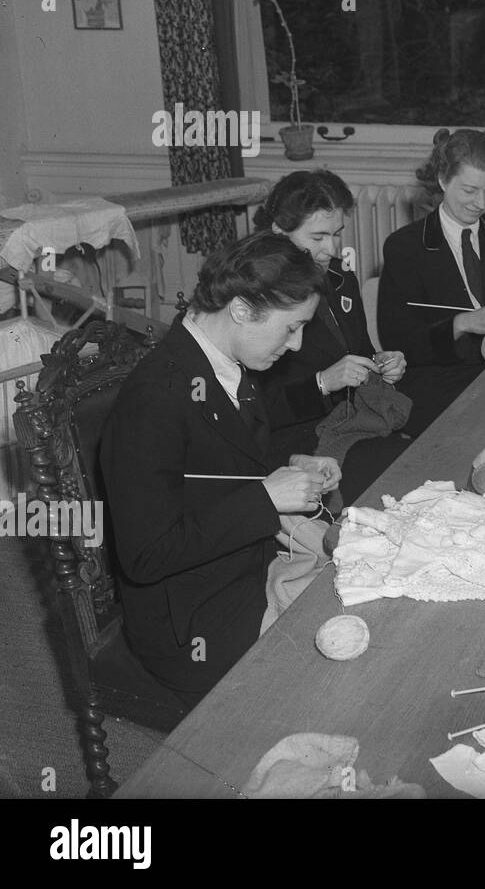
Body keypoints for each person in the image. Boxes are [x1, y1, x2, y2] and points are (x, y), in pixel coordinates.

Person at [100, 233, 340, 709]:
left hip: (239, 569)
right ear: (242, 309)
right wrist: (266, 498)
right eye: (291, 328)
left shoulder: (219, 362)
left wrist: (288, 470)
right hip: (191, 620)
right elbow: (146, 556)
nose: (295, 346)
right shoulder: (155, 398)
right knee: (342, 674)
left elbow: (213, 470)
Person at [252, 170, 410, 503]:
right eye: (318, 237)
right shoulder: (258, 296)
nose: (331, 249)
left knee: (416, 464)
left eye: (336, 234)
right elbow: (254, 410)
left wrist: (383, 364)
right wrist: (323, 383)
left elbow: (361, 350)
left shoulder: (340, 279)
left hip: (353, 422)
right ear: (279, 232)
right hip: (293, 441)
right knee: (398, 486)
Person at [377, 129, 485, 432]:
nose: (480, 203)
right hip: (437, 381)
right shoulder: (405, 247)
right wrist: (462, 323)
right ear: (443, 180)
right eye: (469, 190)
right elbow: (399, 342)